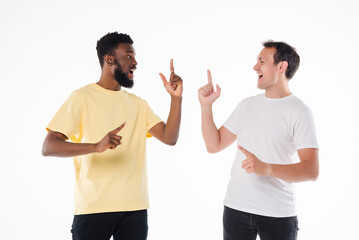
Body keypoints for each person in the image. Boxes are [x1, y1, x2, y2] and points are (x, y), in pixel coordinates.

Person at [42, 32, 183, 240]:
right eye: (128, 56)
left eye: (134, 57)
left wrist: (176, 99)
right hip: (93, 208)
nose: (135, 62)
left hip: (134, 209)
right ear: (109, 59)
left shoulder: (138, 104)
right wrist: (95, 146)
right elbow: (49, 146)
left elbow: (169, 138)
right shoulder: (81, 98)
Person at [198, 41, 319, 240]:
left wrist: (267, 168)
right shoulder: (246, 105)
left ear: (281, 67)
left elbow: (311, 170)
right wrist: (206, 106)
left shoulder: (300, 112)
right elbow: (214, 145)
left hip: (278, 214)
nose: (255, 67)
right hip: (236, 209)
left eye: (262, 61)